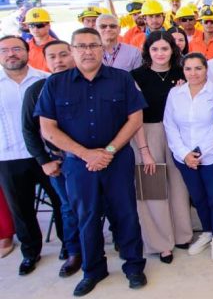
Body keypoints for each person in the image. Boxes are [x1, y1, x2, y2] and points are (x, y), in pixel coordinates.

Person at [36, 27, 148, 296]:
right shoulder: (55, 84)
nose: (87, 51)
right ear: (73, 51)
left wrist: (108, 151)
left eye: (93, 45)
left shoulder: (121, 79)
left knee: (126, 214)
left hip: (117, 160)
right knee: (86, 217)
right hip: (78, 164)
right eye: (81, 46)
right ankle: (93, 270)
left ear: (102, 48)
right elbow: (47, 128)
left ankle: (133, 266)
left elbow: (135, 119)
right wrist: (87, 154)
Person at [0, 35, 61, 276]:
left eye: (16, 49)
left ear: (28, 52)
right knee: (21, 209)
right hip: (9, 155)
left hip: (46, 155)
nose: (11, 54)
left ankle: (69, 246)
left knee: (61, 202)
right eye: (5, 50)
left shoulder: (45, 80)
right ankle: (30, 252)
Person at [130, 31, 192, 263]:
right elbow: (133, 114)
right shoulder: (136, 76)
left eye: (164, 49)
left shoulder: (182, 72)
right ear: (148, 51)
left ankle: (181, 234)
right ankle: (161, 243)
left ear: (172, 50)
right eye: (155, 49)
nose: (160, 54)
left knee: (179, 186)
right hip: (147, 132)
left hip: (177, 133)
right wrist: (144, 149)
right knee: (152, 188)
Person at [21, 40, 81, 277]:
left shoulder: (89, 84)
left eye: (64, 55)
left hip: (96, 159)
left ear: (74, 56)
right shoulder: (37, 90)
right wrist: (44, 160)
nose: (59, 61)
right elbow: (29, 129)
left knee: (106, 203)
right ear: (45, 61)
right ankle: (75, 250)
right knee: (68, 208)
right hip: (60, 163)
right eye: (53, 57)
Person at [162, 53, 213, 262]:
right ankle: (207, 232)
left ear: (206, 69)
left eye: (198, 68)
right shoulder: (175, 93)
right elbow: (170, 125)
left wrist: (198, 153)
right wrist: (184, 153)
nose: (193, 73)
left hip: (212, 155)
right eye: (188, 69)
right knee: (198, 197)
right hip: (184, 158)